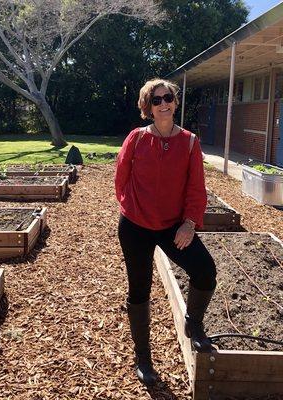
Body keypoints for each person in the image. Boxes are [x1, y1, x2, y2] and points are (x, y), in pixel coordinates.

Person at [115, 78, 217, 386]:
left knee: (205, 271)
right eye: (156, 100)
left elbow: (196, 188)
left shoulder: (189, 142)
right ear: (148, 107)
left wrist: (189, 223)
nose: (163, 104)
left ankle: (193, 323)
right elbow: (121, 178)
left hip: (173, 226)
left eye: (168, 97)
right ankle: (143, 357)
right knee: (139, 289)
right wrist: (132, 208)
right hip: (135, 226)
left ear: (175, 101)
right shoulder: (136, 138)